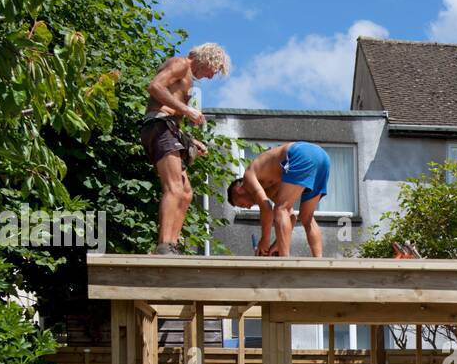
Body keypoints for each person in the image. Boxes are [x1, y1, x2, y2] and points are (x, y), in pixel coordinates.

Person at [141, 43, 231, 254]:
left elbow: (172, 110)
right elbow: (155, 87)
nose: (211, 77)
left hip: (169, 128)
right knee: (174, 188)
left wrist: (190, 140)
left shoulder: (186, 76)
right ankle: (164, 245)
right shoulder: (181, 64)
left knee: (186, 192)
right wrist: (187, 111)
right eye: (213, 70)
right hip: (159, 126)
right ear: (208, 60)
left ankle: (172, 244)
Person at [226, 142, 330, 257]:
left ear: (239, 190)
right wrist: (278, 243)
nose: (248, 207)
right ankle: (319, 261)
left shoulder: (248, 176)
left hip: (300, 153)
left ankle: (285, 261)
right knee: (307, 217)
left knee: (280, 209)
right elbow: (291, 217)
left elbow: (266, 208)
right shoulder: (269, 188)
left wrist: (264, 241)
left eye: (242, 204)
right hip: (322, 156)